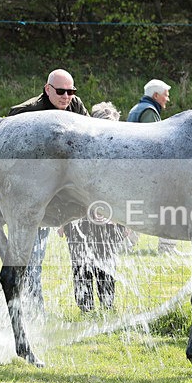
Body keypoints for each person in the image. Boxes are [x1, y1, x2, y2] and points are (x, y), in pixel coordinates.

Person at [8, 69, 89, 306]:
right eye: (61, 91)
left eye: (71, 91)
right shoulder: (25, 114)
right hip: (34, 197)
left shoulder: (75, 106)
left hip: (66, 194)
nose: (67, 96)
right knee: (33, 258)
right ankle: (34, 311)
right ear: (47, 89)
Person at [61, 102, 127, 311]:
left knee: (107, 263)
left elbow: (124, 189)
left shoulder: (120, 156)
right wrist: (63, 219)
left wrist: (125, 219)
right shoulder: (78, 151)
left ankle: (107, 305)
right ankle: (85, 307)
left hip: (109, 219)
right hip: (79, 218)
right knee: (80, 263)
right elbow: (66, 185)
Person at [127, 79, 178, 254]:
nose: (167, 99)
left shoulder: (137, 108)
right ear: (156, 95)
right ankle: (167, 247)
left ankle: (126, 244)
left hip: (135, 170)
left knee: (137, 208)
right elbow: (155, 145)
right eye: (166, 95)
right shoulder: (149, 112)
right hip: (146, 172)